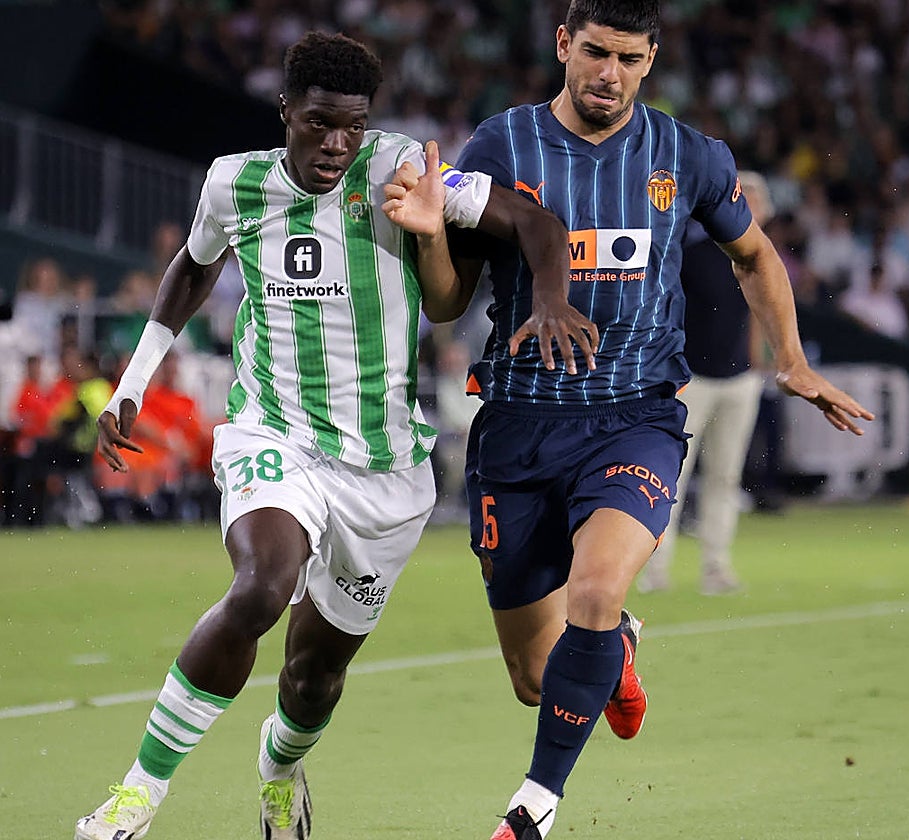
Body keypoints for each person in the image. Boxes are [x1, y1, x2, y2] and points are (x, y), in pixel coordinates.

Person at [75, 31, 594, 840]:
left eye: (353, 126)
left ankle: (279, 767)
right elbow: (194, 263)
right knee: (261, 586)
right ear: (286, 111)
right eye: (320, 124)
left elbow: (534, 220)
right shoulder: (233, 184)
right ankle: (138, 794)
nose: (338, 145)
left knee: (314, 678)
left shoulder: (402, 169)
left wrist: (551, 300)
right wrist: (134, 382)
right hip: (273, 433)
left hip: (385, 472)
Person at [446, 3, 874, 837]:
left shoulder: (686, 156)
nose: (610, 74)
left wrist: (789, 358)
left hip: (635, 417)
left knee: (596, 593)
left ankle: (533, 807)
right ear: (564, 45)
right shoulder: (502, 145)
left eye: (630, 59)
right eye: (596, 52)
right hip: (518, 423)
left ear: (651, 62)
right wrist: (430, 234)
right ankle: (620, 647)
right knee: (538, 676)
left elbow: (755, 255)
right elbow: (449, 297)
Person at [637, 170, 776, 596]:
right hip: (690, 378)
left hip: (740, 380)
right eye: (742, 200)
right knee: (668, 478)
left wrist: (759, 360)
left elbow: (760, 309)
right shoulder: (695, 255)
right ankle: (654, 569)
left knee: (726, 478)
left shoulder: (762, 257)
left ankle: (716, 566)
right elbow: (664, 310)